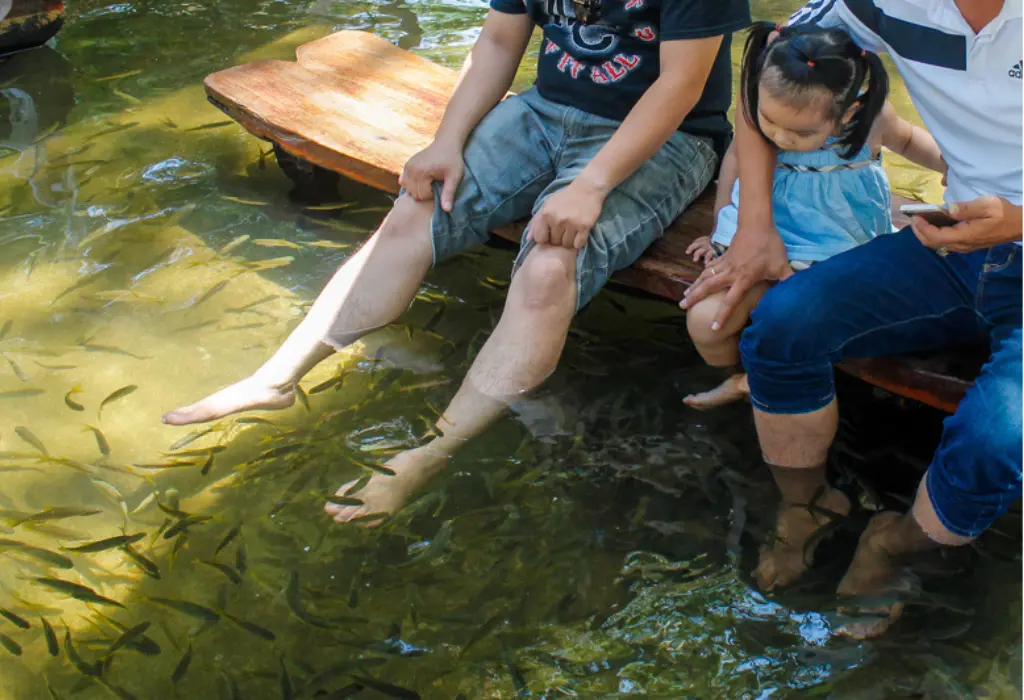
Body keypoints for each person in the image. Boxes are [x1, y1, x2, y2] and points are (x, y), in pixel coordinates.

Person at [163, 0, 751, 524]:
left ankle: (426, 454)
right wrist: (445, 140)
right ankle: (276, 378)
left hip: (670, 138)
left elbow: (679, 86)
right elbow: (498, 42)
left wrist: (592, 186)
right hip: (543, 110)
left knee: (550, 268)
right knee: (415, 207)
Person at [681, 0, 1022, 639]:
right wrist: (754, 227)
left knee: (1000, 440)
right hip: (949, 244)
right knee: (784, 323)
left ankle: (896, 544)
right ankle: (807, 505)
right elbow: (767, 63)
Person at [682, 22, 946, 410]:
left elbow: (908, 139)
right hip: (760, 246)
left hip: (837, 249)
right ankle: (738, 379)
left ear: (849, 111)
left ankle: (760, 381)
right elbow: (737, 158)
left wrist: (957, 168)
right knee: (706, 323)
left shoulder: (870, 120)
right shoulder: (765, 113)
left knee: (810, 325)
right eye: (768, 121)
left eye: (799, 132)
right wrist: (721, 224)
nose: (780, 138)